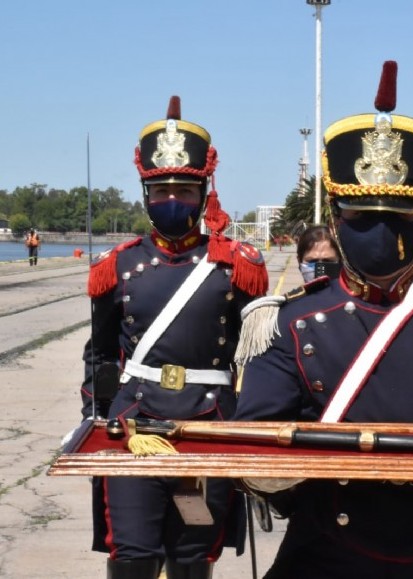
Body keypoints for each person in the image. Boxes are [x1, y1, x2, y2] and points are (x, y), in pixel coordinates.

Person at [233, 61, 413, 579]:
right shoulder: (289, 320)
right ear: (336, 220)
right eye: (362, 219)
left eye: (398, 220)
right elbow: (258, 454)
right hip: (325, 555)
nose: (381, 235)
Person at [80, 96, 268, 579]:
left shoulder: (235, 265)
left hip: (206, 423)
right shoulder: (117, 266)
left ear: (204, 193)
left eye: (184, 189)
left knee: (191, 555)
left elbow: (254, 355)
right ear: (145, 193)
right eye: (161, 189)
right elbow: (100, 352)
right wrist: (94, 419)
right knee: (133, 551)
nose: (172, 200)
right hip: (135, 424)